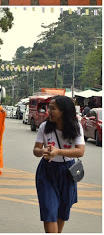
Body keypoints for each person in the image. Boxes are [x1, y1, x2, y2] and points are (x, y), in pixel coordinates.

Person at [34, 96, 85, 233]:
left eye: (52, 108)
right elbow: (36, 150)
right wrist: (43, 150)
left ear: (64, 111)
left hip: (68, 172)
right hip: (47, 172)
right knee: (49, 211)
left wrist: (57, 152)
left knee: (62, 211)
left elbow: (80, 151)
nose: (48, 111)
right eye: (48, 107)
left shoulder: (76, 127)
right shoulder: (45, 127)